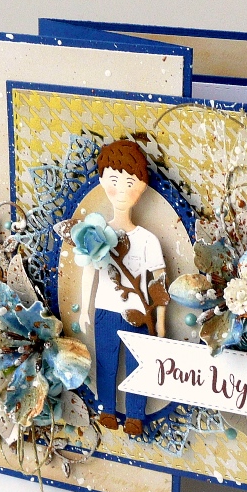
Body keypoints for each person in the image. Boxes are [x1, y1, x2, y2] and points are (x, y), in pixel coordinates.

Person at [79, 140, 167, 436]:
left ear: (141, 187)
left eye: (130, 183)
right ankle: (106, 409)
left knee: (137, 365)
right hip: (105, 310)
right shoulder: (95, 234)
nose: (121, 190)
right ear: (102, 181)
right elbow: (88, 272)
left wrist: (161, 321)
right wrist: (84, 310)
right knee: (105, 362)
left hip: (139, 314)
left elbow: (159, 281)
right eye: (114, 180)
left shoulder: (147, 240)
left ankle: (135, 415)